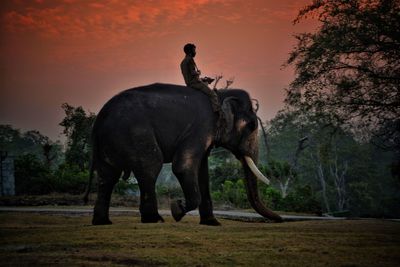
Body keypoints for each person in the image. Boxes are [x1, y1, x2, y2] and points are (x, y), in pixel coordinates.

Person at [180, 43, 220, 113]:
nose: (195, 52)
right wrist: (198, 73)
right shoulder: (190, 60)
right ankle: (217, 112)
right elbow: (193, 72)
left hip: (189, 82)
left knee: (205, 81)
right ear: (190, 51)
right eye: (194, 50)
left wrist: (202, 79)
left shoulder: (183, 62)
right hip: (195, 83)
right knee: (213, 94)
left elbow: (189, 75)